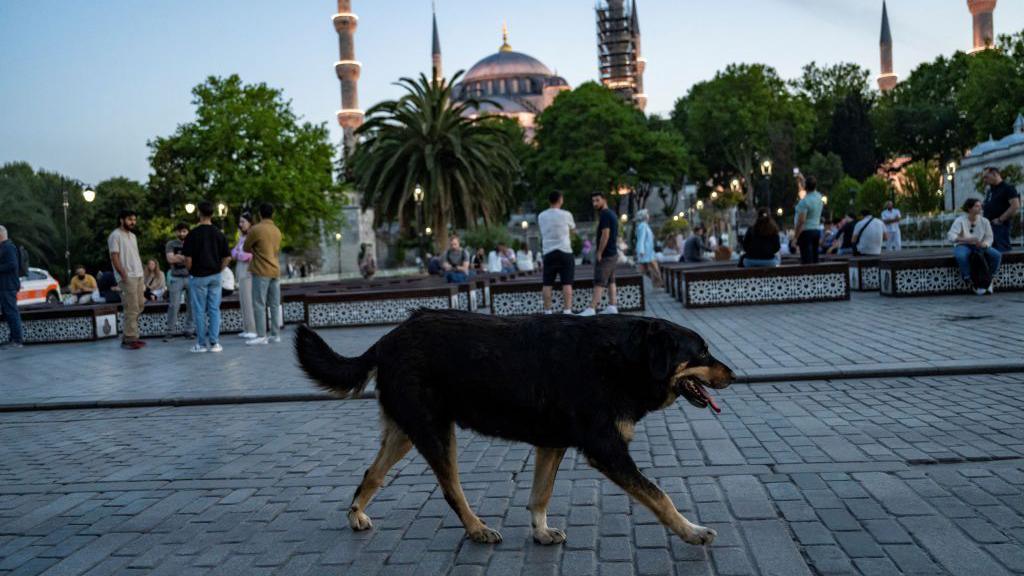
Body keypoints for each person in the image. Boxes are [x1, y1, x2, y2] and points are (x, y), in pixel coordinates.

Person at [182, 201, 231, 353]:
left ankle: (201, 344)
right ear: (212, 214)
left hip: (198, 276)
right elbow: (227, 257)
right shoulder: (219, 233)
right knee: (214, 309)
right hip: (215, 276)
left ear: (199, 213)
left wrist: (192, 271)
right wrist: (219, 269)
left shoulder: (193, 234)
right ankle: (215, 343)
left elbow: (187, 259)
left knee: (199, 310)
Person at [244, 203, 283, 345]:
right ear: (273, 214)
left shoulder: (256, 229)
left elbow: (246, 247)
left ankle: (261, 335)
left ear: (260, 214)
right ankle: (275, 334)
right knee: (274, 304)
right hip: (275, 270)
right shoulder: (277, 230)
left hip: (261, 270)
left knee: (259, 303)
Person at [108, 209, 146, 350]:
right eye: (130, 219)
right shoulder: (115, 235)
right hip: (127, 276)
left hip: (138, 274)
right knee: (131, 307)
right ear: (121, 220)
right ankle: (130, 339)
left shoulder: (133, 236)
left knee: (140, 305)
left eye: (134, 220)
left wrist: (142, 272)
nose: (133, 222)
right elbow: (114, 257)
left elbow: (135, 255)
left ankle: (128, 336)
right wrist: (123, 274)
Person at [949, 198, 1001, 295]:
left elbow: (989, 237)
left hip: (979, 245)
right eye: (977, 206)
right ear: (969, 208)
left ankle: (989, 279)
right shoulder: (960, 220)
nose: (980, 208)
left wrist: (984, 244)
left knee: (996, 255)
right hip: (963, 245)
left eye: (980, 206)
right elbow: (951, 236)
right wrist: (966, 240)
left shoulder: (985, 221)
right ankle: (969, 279)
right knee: (961, 256)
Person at [579, 191, 618, 316]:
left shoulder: (605, 214)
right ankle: (612, 306)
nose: (595, 203)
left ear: (604, 200)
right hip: (613, 253)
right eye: (593, 201)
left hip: (607, 254)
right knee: (611, 280)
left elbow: (605, 235)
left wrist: (599, 252)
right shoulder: (611, 213)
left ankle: (591, 309)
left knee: (599, 281)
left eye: (597, 200)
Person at [538, 191, 577, 314]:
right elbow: (573, 230)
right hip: (565, 251)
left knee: (547, 283)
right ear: (560, 200)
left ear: (549, 201)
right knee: (567, 283)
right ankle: (567, 310)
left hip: (549, 252)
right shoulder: (566, 214)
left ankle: (548, 311)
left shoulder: (541, 216)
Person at [981, 166, 1020, 253]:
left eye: (986, 177)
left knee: (1001, 252)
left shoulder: (1008, 188)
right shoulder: (990, 190)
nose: (985, 180)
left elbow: (1015, 205)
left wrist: (1000, 219)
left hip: (1000, 228)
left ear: (995, 174)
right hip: (988, 228)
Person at [164, 223, 193, 340]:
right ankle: (170, 331)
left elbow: (195, 259)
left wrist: (178, 257)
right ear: (176, 232)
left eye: (184, 231)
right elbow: (170, 258)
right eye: (179, 231)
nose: (181, 233)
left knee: (191, 305)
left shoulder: (192, 243)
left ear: (188, 232)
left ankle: (189, 330)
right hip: (176, 278)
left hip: (191, 277)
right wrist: (186, 258)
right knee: (173, 305)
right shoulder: (171, 244)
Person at [231, 212, 257, 339]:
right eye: (240, 222)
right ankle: (247, 328)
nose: (240, 224)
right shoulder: (242, 237)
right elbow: (234, 251)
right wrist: (238, 254)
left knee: (248, 299)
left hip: (248, 270)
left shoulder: (253, 235)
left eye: (243, 222)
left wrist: (239, 255)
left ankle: (253, 329)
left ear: (250, 222)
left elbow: (250, 255)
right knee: (243, 299)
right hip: (241, 269)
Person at [0, 225, 24, 348]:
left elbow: (12, 264)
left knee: (11, 312)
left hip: (8, 286)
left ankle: (17, 340)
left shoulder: (8, 247)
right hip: (4, 286)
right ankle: (13, 339)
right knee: (8, 313)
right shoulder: (4, 247)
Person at [793, 176, 824, 264]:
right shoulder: (819, 197)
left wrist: (795, 237)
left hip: (806, 232)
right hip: (816, 230)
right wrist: (802, 179)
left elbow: (801, 221)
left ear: (805, 187)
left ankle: (808, 275)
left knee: (807, 258)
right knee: (815, 257)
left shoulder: (804, 202)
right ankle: (816, 275)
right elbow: (810, 184)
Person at [633, 209, 663, 287]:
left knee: (650, 269)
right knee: (650, 269)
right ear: (645, 216)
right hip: (646, 251)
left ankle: (657, 284)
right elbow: (641, 239)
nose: (649, 215)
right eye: (647, 214)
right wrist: (641, 251)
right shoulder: (643, 225)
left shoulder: (644, 225)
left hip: (648, 251)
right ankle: (657, 284)